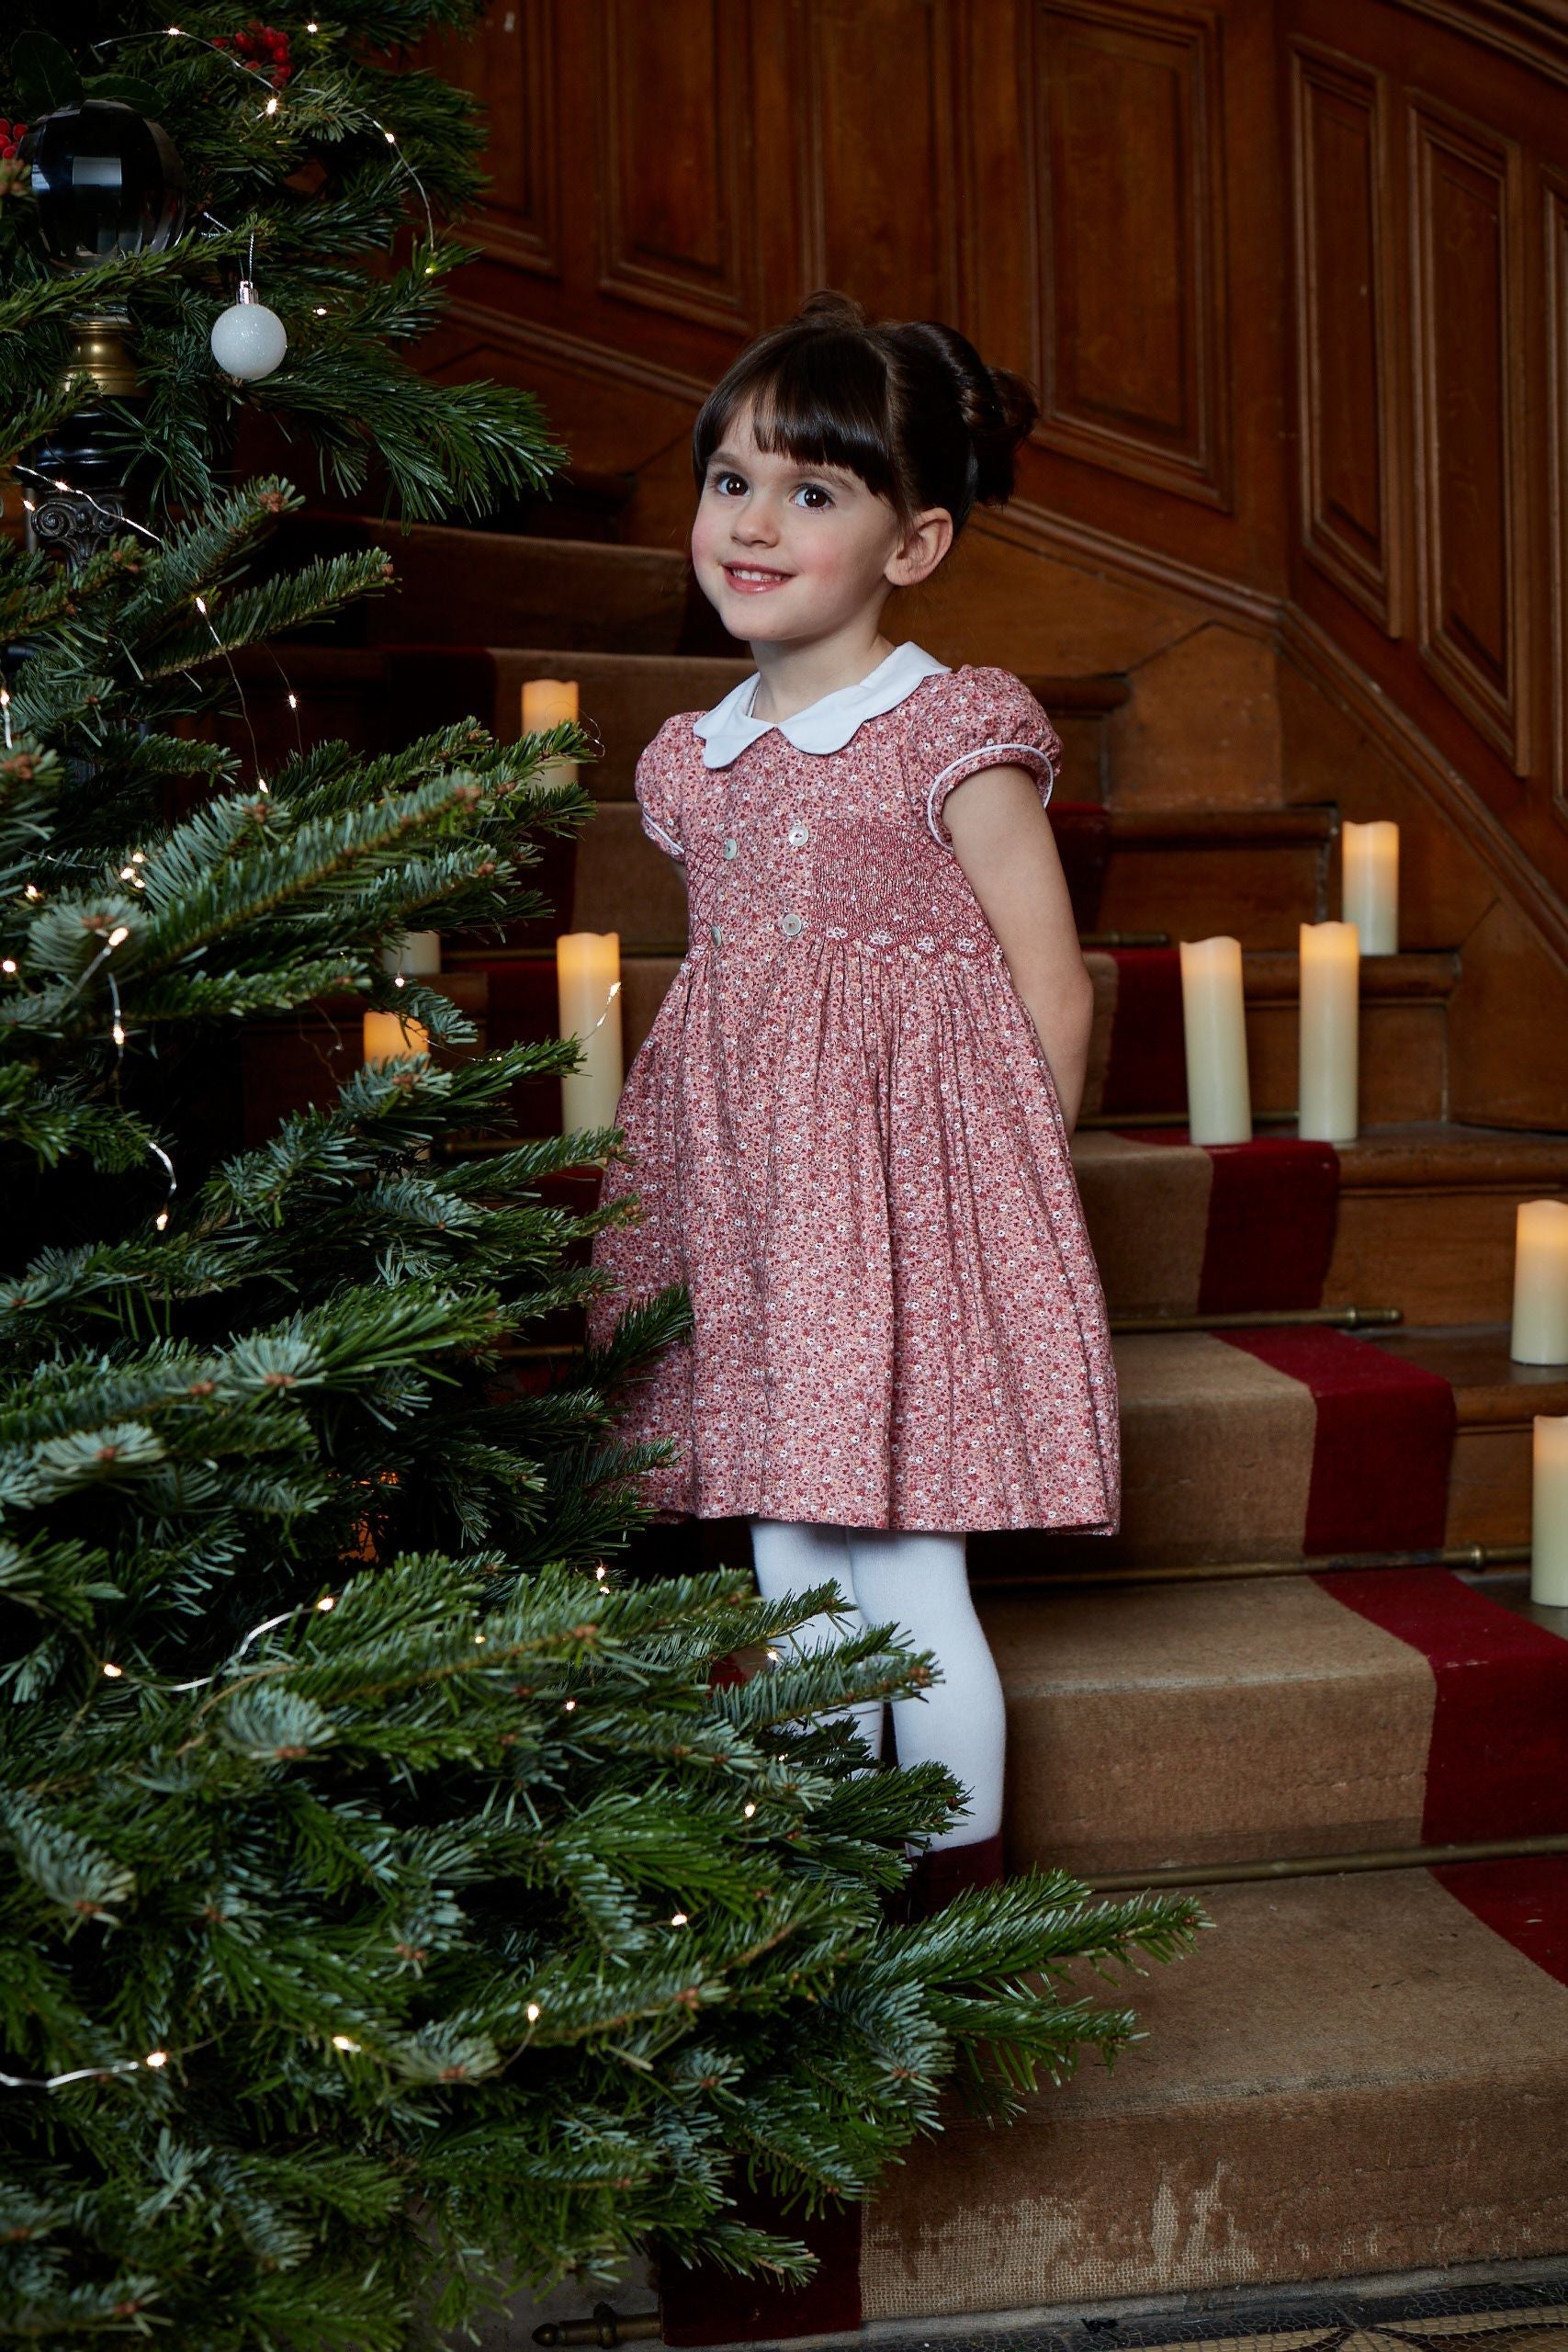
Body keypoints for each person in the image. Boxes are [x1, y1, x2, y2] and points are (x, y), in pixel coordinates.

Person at [590, 290, 1118, 1903]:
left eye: (812, 493)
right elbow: (739, 1012)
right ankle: (825, 1882)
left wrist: (1017, 1200)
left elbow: (1052, 981)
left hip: (904, 1214)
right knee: (785, 1564)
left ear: (915, 545)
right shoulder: (694, 758)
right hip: (749, 1206)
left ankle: (953, 1904)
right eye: (731, 481)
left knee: (906, 1583)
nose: (752, 523)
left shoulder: (951, 728)